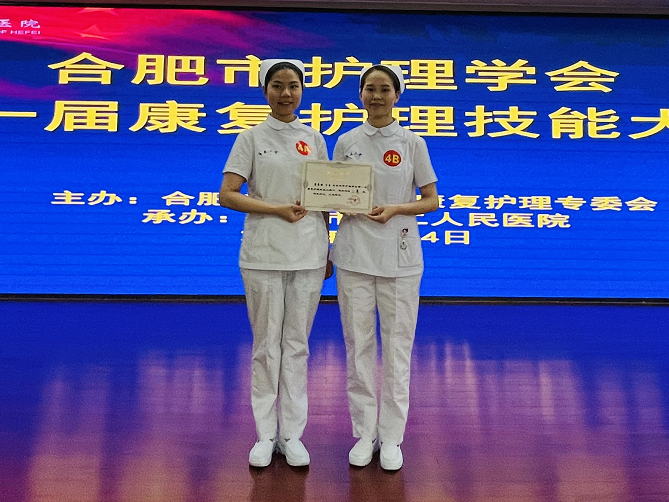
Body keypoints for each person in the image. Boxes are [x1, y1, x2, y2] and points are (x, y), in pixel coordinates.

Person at [219, 59, 330, 468]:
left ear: (302, 91)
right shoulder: (250, 138)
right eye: (277, 86)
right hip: (263, 253)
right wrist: (276, 209)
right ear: (265, 91)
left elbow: (325, 197)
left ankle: (292, 435)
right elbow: (228, 194)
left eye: (293, 86)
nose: (286, 93)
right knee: (267, 345)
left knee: (297, 345)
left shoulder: (315, 138)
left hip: (309, 252)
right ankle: (265, 434)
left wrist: (329, 248)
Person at [332, 64, 439, 470]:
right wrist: (337, 206)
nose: (376, 96)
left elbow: (431, 200)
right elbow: (330, 192)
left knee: (397, 349)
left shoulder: (412, 143)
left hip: (400, 255)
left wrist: (396, 208)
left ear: (397, 95)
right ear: (360, 94)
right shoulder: (346, 141)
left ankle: (392, 437)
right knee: (358, 345)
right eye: (369, 89)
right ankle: (365, 433)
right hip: (353, 255)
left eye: (384, 89)